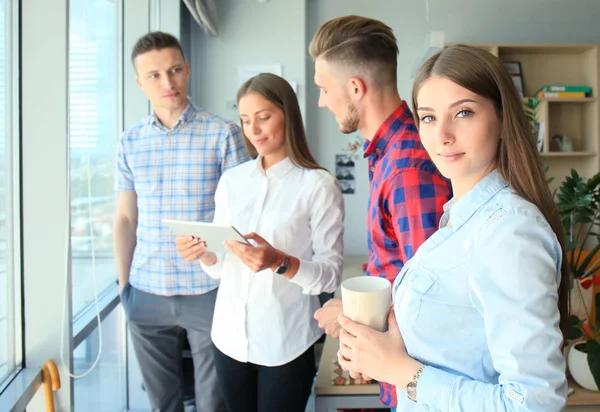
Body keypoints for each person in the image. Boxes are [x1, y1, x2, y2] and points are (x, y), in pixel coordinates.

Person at [336, 44, 569, 411]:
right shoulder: (459, 219)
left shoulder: (510, 232)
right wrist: (382, 347)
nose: (442, 134)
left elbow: (533, 403)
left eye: (463, 112)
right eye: (428, 117)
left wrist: (401, 371)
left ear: (503, 119)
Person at [175, 73, 345, 412]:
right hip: (228, 340)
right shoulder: (231, 182)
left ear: (288, 115)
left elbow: (330, 275)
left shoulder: (318, 185)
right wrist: (204, 254)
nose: (253, 129)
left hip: (286, 342)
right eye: (245, 119)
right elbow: (221, 269)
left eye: (264, 116)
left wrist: (280, 261)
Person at [309, 15, 452, 409]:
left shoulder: (406, 168)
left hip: (420, 381)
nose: (321, 100)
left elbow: (429, 295)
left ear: (355, 88)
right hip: (404, 374)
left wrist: (349, 315)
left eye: (324, 89)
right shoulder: (389, 153)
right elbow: (400, 271)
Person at [114, 31, 248, 412]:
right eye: (154, 75)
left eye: (174, 70)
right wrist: (125, 286)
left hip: (206, 293)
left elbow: (240, 217)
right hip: (145, 292)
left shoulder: (223, 134)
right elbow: (126, 218)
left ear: (187, 70)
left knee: (213, 404)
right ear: (140, 83)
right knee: (162, 404)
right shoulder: (129, 141)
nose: (167, 82)